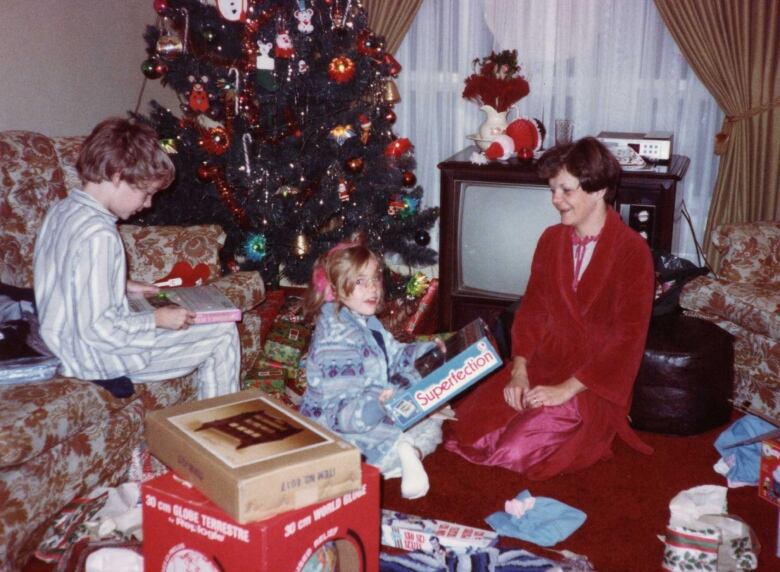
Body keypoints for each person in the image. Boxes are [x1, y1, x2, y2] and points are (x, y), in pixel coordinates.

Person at [444, 136, 655, 479]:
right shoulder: (550, 240)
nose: (556, 200)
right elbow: (532, 310)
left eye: (566, 190)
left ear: (599, 190)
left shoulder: (633, 253)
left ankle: (583, 423)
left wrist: (567, 389)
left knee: (513, 452)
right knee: (466, 426)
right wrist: (519, 369)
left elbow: (626, 340)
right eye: (553, 190)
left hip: (592, 382)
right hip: (544, 362)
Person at [33, 117, 240, 399]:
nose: (148, 204)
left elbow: (64, 274)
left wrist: (121, 283)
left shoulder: (62, 211)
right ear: (118, 175)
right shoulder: (100, 235)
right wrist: (155, 319)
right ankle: (220, 434)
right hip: (91, 357)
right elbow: (99, 329)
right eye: (146, 193)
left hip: (59, 342)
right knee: (222, 332)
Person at [299, 242, 443, 499]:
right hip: (339, 432)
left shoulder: (368, 322)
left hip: (373, 407)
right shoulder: (336, 339)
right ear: (333, 289)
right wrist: (377, 407)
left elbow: (395, 353)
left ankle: (405, 452)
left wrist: (429, 352)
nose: (373, 288)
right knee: (424, 422)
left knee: (434, 414)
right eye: (360, 281)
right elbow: (339, 415)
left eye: (375, 278)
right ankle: (399, 454)